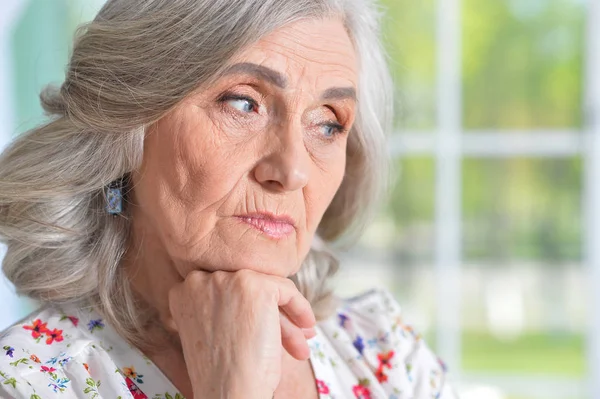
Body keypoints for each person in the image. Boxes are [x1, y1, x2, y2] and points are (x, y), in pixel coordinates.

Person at [0, 0, 457, 398]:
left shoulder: (385, 353)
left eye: (328, 123)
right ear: (129, 125)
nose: (292, 170)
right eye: (243, 103)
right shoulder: (27, 380)